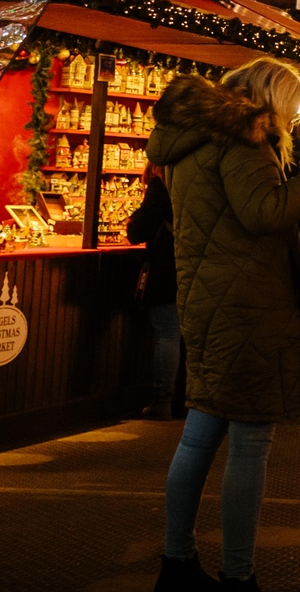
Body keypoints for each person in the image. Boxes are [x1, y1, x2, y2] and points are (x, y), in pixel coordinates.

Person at [150, 58, 300, 592]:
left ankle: (177, 562)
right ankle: (237, 573)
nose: (290, 124)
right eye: (290, 112)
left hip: (211, 295)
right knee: (249, 440)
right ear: (269, 100)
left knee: (200, 432)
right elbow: (263, 211)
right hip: (248, 303)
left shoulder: (193, 137)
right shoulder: (242, 139)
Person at [126, 164, 180, 420]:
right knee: (183, 334)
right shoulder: (189, 179)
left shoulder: (160, 186)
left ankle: (162, 399)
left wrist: (135, 218)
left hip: (165, 269)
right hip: (190, 265)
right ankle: (183, 398)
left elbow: (138, 231)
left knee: (167, 332)